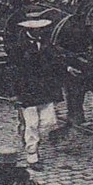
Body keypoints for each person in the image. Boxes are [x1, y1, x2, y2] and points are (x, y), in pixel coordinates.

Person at [7, 18, 60, 170]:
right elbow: (12, 72)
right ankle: (32, 157)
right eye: (36, 30)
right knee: (32, 124)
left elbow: (56, 62)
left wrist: (67, 69)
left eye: (41, 29)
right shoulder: (18, 47)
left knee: (49, 123)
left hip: (45, 90)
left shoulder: (46, 44)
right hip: (27, 91)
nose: (39, 32)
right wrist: (14, 94)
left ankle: (32, 139)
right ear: (29, 30)